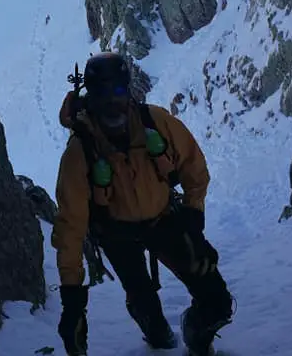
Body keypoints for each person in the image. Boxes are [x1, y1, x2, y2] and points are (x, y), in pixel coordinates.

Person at [52, 52, 234, 356]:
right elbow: (70, 227)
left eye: (118, 91)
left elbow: (194, 168)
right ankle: (159, 336)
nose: (112, 101)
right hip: (116, 233)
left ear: (129, 90)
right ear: (90, 97)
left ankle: (197, 334)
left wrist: (193, 214)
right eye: (102, 93)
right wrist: (73, 302)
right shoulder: (80, 150)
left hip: (164, 218)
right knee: (148, 314)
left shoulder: (156, 121)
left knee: (217, 302)